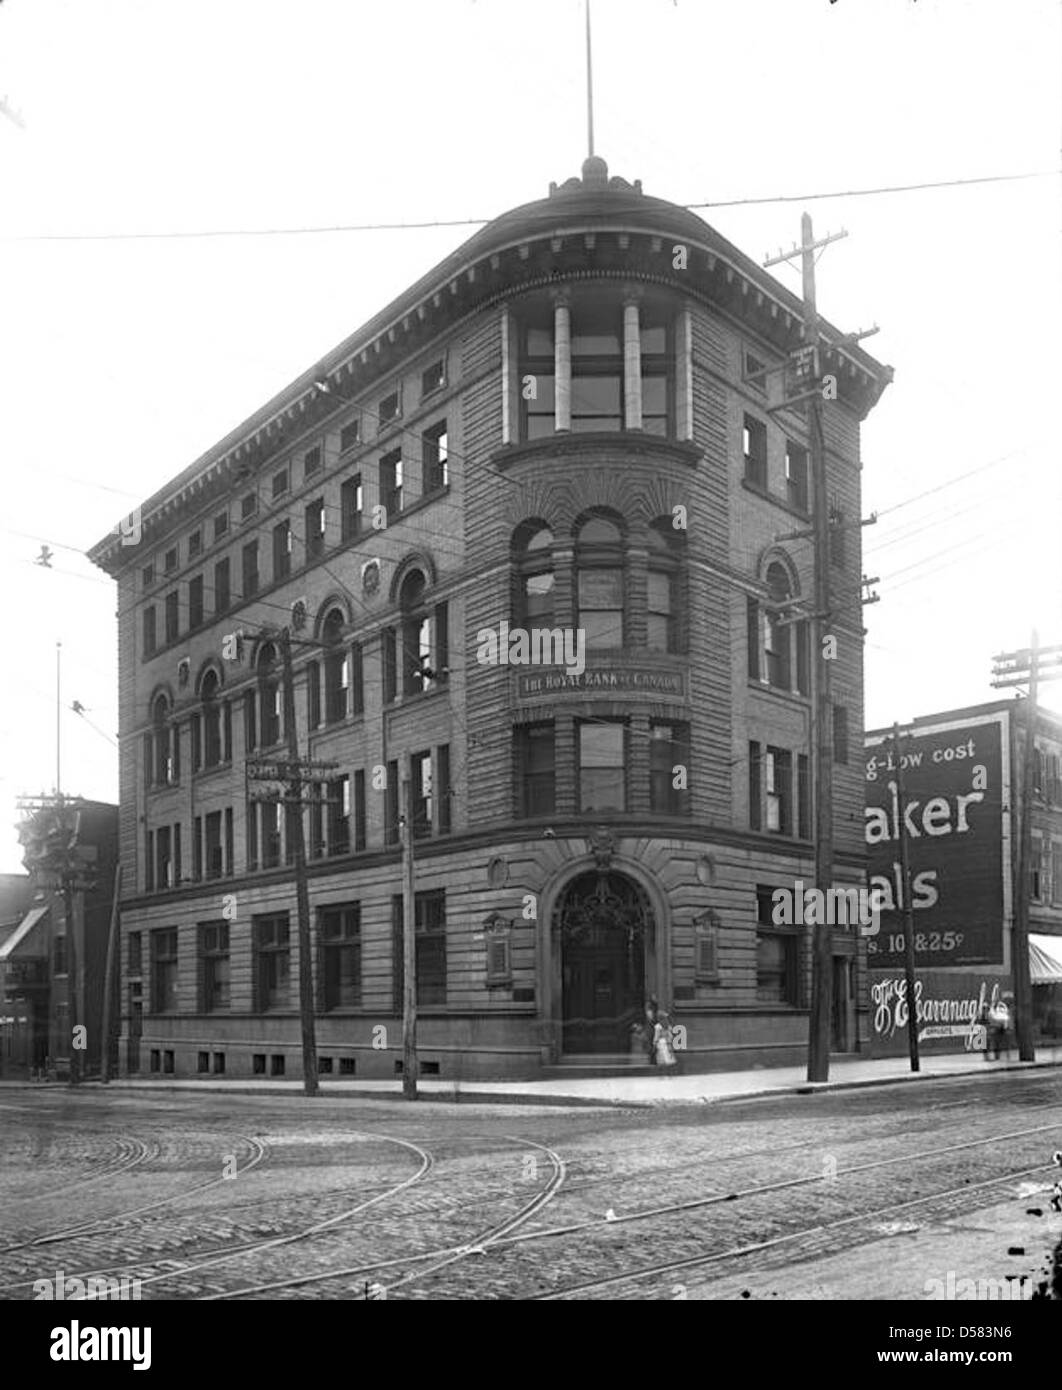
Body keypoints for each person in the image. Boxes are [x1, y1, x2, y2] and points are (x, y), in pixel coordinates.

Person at [986, 995, 1010, 1060]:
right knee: (992, 1039)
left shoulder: (1002, 1007)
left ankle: (998, 1055)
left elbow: (1005, 1017)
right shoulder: (992, 1009)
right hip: (994, 1028)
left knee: (998, 1041)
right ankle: (993, 1055)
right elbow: (992, 1017)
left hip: (1001, 1028)